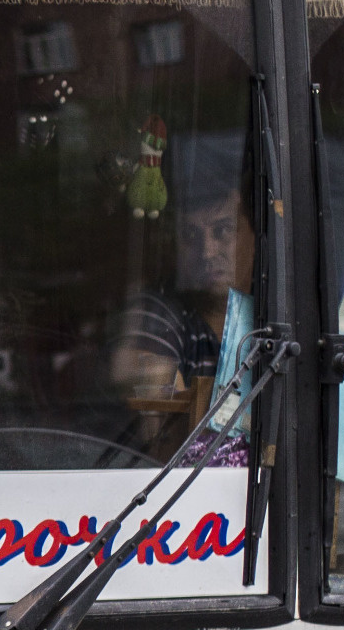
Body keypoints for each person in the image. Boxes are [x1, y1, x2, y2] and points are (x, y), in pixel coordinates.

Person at [107, 131, 257, 460]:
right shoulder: (164, 311)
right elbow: (133, 371)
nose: (206, 251)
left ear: (255, 235)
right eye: (191, 235)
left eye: (223, 231)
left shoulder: (276, 313)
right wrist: (153, 375)